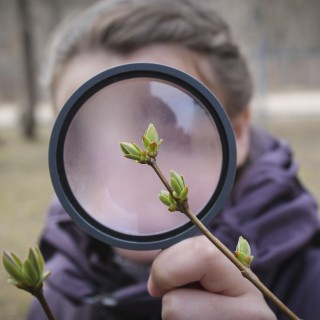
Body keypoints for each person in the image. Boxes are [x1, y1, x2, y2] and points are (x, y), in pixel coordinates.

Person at [28, 0, 320, 319]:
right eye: (82, 138)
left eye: (170, 129)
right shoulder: (52, 297)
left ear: (236, 132)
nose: (123, 170)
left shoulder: (310, 287)